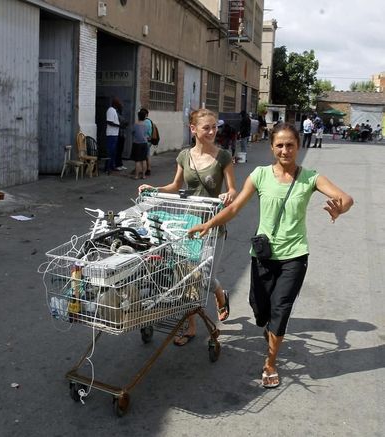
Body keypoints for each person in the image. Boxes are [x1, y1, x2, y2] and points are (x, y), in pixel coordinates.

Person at [186, 122, 353, 389]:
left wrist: (339, 209)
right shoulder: (260, 175)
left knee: (281, 309)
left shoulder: (310, 177)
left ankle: (270, 364)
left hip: (295, 256)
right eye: (280, 145)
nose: (285, 150)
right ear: (272, 147)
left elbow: (345, 198)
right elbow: (235, 208)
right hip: (263, 254)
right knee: (260, 308)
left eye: (290, 145)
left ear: (298, 146)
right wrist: (209, 224)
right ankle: (268, 326)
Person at [138, 108, 237, 345]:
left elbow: (233, 189)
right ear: (193, 129)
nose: (212, 131)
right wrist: (153, 189)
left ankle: (220, 295)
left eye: (215, 127)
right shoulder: (184, 156)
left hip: (213, 225)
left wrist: (227, 195)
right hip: (189, 224)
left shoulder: (223, 156)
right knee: (187, 277)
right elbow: (175, 185)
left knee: (204, 279)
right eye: (206, 127)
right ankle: (191, 327)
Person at [130, 108, 150, 179]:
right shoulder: (146, 125)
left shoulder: (135, 125)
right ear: (144, 117)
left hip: (137, 144)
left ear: (138, 116)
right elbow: (147, 134)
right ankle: (144, 175)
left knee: (137, 160)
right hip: (144, 143)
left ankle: (136, 176)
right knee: (144, 160)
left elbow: (132, 132)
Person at [105, 97, 122, 172]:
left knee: (113, 151)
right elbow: (109, 122)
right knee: (110, 151)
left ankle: (112, 166)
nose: (120, 105)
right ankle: (107, 167)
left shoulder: (114, 111)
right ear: (115, 104)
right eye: (118, 103)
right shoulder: (111, 110)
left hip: (114, 134)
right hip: (111, 134)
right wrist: (119, 126)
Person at [116, 105, 128, 171]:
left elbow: (124, 122)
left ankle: (120, 164)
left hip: (123, 134)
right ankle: (117, 164)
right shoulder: (117, 114)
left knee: (121, 150)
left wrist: (125, 123)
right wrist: (123, 124)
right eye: (121, 108)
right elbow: (120, 123)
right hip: (119, 134)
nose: (122, 109)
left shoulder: (122, 114)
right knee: (118, 150)